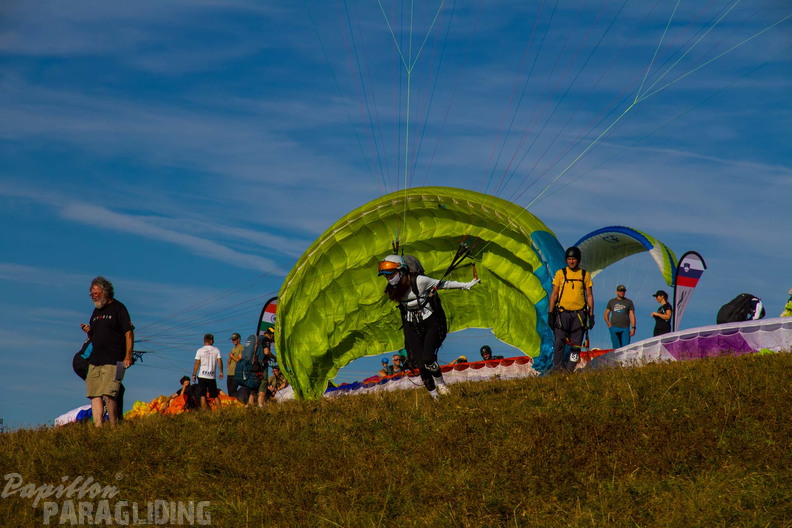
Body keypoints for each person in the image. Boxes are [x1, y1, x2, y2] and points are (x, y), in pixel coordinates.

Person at [378, 254, 479, 399]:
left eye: (391, 274)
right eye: (386, 276)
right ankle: (435, 397)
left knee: (428, 359)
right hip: (411, 325)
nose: (389, 278)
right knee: (420, 365)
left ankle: (441, 384)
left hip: (430, 322)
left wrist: (466, 285)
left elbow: (443, 284)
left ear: (401, 271)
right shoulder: (393, 288)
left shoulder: (419, 281)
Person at [80, 276, 135, 427]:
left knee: (109, 394)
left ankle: (114, 426)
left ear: (105, 292)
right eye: (92, 294)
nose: (94, 297)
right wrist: (89, 331)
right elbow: (95, 336)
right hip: (95, 360)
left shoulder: (119, 308)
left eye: (96, 293)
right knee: (94, 394)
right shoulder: (95, 312)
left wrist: (128, 356)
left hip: (114, 360)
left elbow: (129, 333)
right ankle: (98, 428)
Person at [547, 246, 594, 372]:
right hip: (562, 314)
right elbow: (554, 295)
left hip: (579, 315)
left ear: (578, 260)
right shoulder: (560, 274)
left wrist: (591, 315)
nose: (571, 261)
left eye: (573, 259)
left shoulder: (585, 275)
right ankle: (558, 369)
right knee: (559, 343)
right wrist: (550, 314)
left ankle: (569, 369)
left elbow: (589, 296)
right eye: (569, 259)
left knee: (576, 345)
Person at [192, 333, 223, 410]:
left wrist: (194, 374)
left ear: (204, 341)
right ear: (211, 341)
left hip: (202, 375)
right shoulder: (216, 350)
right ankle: (220, 410)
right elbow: (219, 361)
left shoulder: (200, 350)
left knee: (202, 394)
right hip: (211, 376)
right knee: (215, 394)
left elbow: (197, 363)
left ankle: (204, 411)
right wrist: (221, 372)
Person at [604, 285, 636, 349]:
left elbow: (632, 315)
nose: (622, 292)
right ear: (616, 292)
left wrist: (633, 327)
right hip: (614, 327)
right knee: (616, 348)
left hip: (625, 328)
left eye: (623, 291)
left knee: (626, 348)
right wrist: (608, 324)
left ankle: (624, 359)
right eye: (620, 291)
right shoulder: (612, 301)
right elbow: (606, 314)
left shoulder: (629, 302)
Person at [257, 327, 276, 406]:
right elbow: (266, 352)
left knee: (255, 384)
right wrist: (274, 357)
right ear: (271, 335)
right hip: (262, 364)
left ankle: (251, 404)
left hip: (254, 364)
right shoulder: (266, 339)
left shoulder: (258, 338)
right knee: (263, 383)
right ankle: (260, 404)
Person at [226, 333, 243, 397]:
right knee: (229, 390)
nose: (233, 341)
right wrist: (228, 365)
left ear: (238, 339)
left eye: (234, 340)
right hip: (230, 372)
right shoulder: (233, 349)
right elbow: (229, 358)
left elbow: (239, 360)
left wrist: (232, 357)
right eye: (232, 340)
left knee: (233, 390)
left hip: (236, 372)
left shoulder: (241, 348)